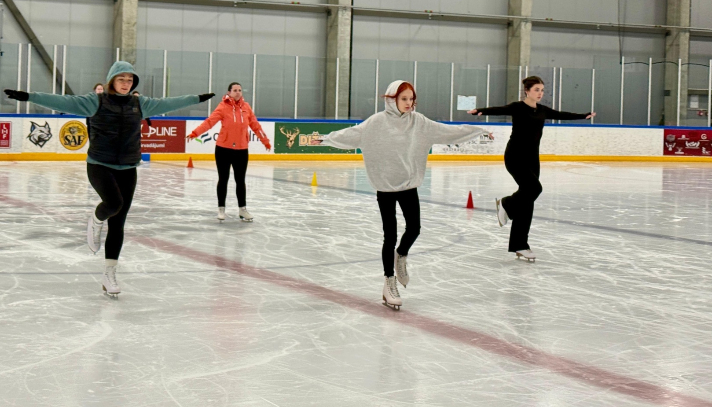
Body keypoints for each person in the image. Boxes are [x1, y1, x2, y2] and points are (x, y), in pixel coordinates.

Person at [4, 61, 214, 296]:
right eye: (121, 79)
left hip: (128, 166)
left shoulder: (140, 104)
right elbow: (62, 101)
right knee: (113, 204)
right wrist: (28, 96)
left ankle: (109, 273)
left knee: (119, 222)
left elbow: (169, 103)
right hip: (100, 165)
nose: (126, 83)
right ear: (112, 80)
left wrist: (196, 98)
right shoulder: (96, 101)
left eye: (130, 79)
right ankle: (95, 219)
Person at [313, 80, 490, 309]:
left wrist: (478, 130)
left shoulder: (419, 122)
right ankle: (389, 282)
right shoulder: (376, 123)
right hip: (385, 188)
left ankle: (401, 255)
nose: (409, 103)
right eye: (404, 98)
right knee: (390, 235)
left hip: (408, 186)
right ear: (391, 99)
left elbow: (448, 132)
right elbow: (352, 134)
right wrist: (327, 139)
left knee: (414, 228)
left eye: (411, 99)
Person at [468, 76, 595, 262]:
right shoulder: (518, 107)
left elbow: (561, 115)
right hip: (515, 156)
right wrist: (480, 111)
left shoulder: (542, 110)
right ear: (527, 91)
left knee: (528, 201)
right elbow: (499, 109)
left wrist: (583, 116)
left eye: (542, 90)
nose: (540, 93)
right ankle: (506, 204)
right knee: (535, 189)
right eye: (537, 90)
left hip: (532, 159)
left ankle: (520, 245)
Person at [186, 82, 271, 222]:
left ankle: (242, 210)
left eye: (240, 90)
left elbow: (256, 126)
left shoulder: (246, 107)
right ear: (229, 92)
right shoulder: (223, 107)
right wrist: (195, 133)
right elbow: (209, 122)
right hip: (223, 149)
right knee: (223, 179)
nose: (238, 92)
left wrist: (265, 141)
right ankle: (221, 209)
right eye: (235, 90)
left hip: (241, 150)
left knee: (240, 180)